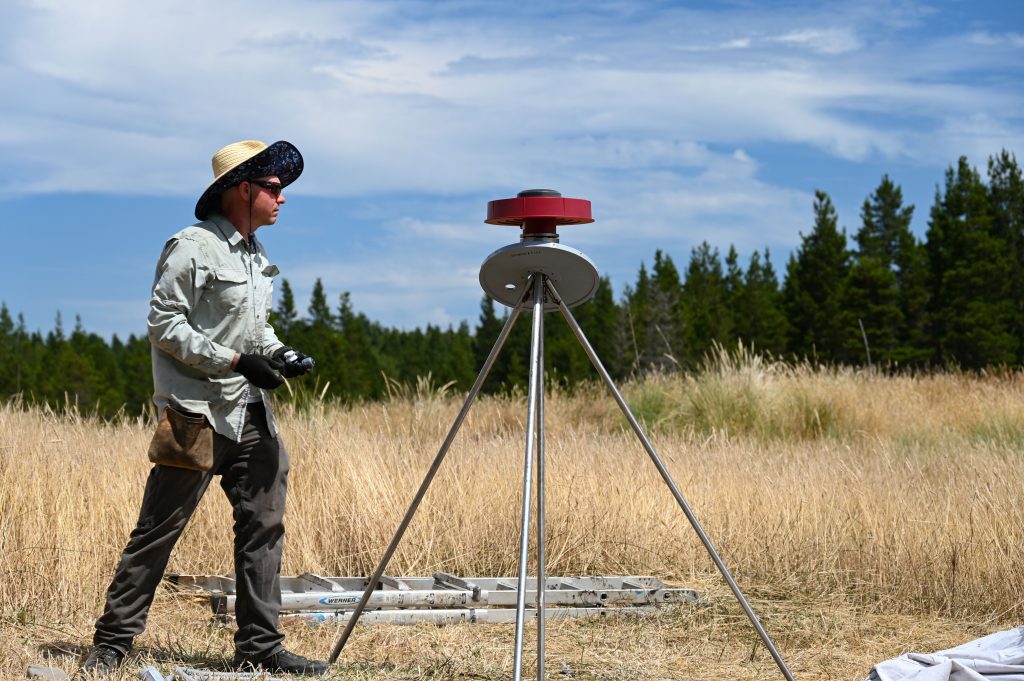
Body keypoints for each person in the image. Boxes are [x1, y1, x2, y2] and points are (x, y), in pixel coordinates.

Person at [80, 140, 327, 677]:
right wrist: (237, 361)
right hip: (196, 414)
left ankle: (260, 649)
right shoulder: (191, 247)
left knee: (263, 527)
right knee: (158, 530)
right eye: (275, 189)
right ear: (244, 189)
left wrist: (279, 352)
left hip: (253, 414)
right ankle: (112, 642)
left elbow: (255, 327)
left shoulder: (256, 256)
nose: (282, 199)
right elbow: (165, 325)